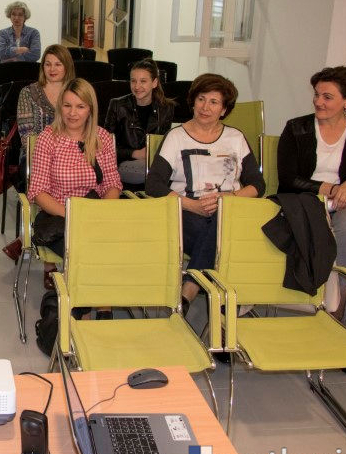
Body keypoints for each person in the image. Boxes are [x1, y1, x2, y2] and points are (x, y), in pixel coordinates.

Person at [146, 74, 264, 314]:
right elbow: (154, 184)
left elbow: (257, 184)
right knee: (222, 238)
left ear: (224, 109)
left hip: (230, 210)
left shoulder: (235, 138)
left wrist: (229, 199)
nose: (205, 107)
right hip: (187, 211)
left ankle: (189, 288)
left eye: (213, 102)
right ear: (193, 102)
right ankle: (228, 304)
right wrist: (191, 205)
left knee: (221, 224)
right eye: (201, 99)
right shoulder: (176, 137)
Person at [277, 66, 346, 322]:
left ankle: (340, 309)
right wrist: (333, 189)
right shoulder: (296, 128)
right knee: (319, 230)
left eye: (327, 97)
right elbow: (289, 179)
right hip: (304, 200)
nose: (318, 102)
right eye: (317, 95)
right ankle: (314, 299)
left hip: (345, 204)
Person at [27, 79, 123, 291]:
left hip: (94, 214)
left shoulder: (101, 137)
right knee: (87, 256)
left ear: (90, 109)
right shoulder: (48, 139)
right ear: (60, 107)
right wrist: (73, 214)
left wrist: (101, 213)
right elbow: (38, 191)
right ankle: (92, 305)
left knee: (114, 251)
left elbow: (112, 183)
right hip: (59, 215)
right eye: (67, 105)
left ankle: (94, 303)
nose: (72, 113)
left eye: (80, 106)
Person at [1, 44, 75, 263]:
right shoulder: (28, 93)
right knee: (54, 184)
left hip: (72, 158)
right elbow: (27, 137)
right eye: (48, 64)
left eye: (58, 64)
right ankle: (49, 264)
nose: (52, 69)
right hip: (35, 158)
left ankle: (30, 237)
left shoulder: (76, 92)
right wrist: (53, 158)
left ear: (67, 66)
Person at [104, 58, 174, 188]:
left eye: (143, 81)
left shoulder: (166, 108)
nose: (137, 86)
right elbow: (105, 147)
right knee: (149, 173)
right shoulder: (117, 105)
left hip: (152, 162)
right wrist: (134, 153)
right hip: (124, 162)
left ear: (154, 83)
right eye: (133, 81)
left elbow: (165, 145)